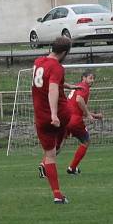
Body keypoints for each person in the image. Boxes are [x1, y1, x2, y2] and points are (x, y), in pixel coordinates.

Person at [32, 36, 79, 204]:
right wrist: (54, 114)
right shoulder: (57, 67)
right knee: (70, 117)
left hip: (40, 117)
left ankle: (57, 195)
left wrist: (68, 86)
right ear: (65, 53)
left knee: (50, 156)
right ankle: (60, 141)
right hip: (58, 114)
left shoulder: (38, 61)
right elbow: (52, 88)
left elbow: (47, 82)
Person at [64, 71, 103, 175]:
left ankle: (44, 164)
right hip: (74, 120)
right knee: (86, 141)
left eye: (93, 78)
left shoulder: (77, 87)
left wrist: (94, 115)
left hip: (65, 118)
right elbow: (79, 100)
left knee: (58, 144)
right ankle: (72, 168)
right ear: (84, 78)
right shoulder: (84, 87)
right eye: (90, 78)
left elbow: (78, 107)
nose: (92, 80)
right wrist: (89, 115)